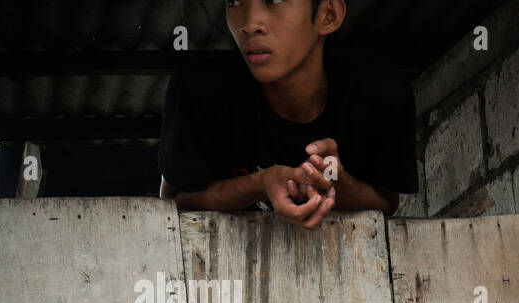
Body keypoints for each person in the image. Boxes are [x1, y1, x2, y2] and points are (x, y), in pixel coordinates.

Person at [159, 0, 417, 228]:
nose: (249, 24)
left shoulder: (379, 97)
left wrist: (334, 181)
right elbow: (172, 202)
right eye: (234, 1)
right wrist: (262, 183)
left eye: (275, 0)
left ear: (328, 15)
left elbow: (386, 202)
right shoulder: (199, 89)